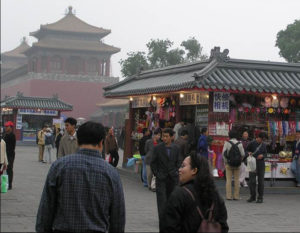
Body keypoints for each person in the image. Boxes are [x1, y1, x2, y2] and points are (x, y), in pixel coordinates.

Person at [36, 121, 125, 232]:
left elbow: (46, 209)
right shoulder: (111, 173)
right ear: (101, 143)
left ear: (78, 141)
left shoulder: (59, 167)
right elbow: (118, 218)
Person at [161, 152, 229, 233]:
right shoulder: (215, 195)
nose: (179, 169)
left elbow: (168, 227)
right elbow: (223, 226)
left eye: (183, 166)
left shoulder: (179, 194)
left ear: (194, 170)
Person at [150, 128, 181, 230]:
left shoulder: (176, 148)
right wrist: (157, 174)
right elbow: (153, 163)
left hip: (173, 178)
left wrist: (176, 172)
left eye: (167, 136)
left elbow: (179, 162)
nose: (164, 138)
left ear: (172, 137)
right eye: (163, 136)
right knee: (162, 202)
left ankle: (171, 221)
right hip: (161, 179)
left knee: (172, 201)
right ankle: (163, 222)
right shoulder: (158, 148)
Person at [222, 130, 245, 200]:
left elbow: (223, 154)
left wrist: (226, 162)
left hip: (229, 164)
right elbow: (243, 154)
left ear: (229, 135)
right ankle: (236, 196)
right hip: (237, 164)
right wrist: (240, 161)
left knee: (228, 180)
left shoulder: (227, 143)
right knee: (236, 180)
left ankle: (228, 196)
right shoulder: (240, 143)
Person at [246, 132, 267, 203]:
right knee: (252, 181)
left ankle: (260, 197)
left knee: (261, 182)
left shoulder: (264, 145)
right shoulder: (252, 143)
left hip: (261, 164)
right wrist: (249, 153)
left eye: (263, 140)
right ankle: (252, 196)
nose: (261, 141)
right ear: (258, 137)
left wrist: (263, 156)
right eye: (261, 139)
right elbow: (246, 150)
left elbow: (265, 153)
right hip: (252, 163)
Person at [3, 121, 16, 190]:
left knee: (9, 169)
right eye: (5, 126)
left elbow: (12, 147)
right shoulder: (5, 134)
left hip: (10, 155)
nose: (6, 128)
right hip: (3, 154)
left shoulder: (12, 135)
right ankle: (3, 183)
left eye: (7, 127)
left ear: (11, 127)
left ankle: (9, 184)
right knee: (2, 169)